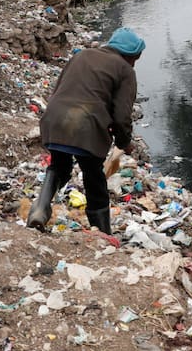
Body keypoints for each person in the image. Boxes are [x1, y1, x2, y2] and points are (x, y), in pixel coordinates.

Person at [28, 27, 146, 235]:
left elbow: (59, 90)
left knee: (59, 166)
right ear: (130, 56)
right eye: (135, 58)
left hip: (55, 120)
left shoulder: (81, 55)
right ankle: (102, 232)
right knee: (94, 178)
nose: (135, 63)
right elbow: (121, 116)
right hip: (86, 127)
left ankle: (39, 209)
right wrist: (124, 143)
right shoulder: (125, 70)